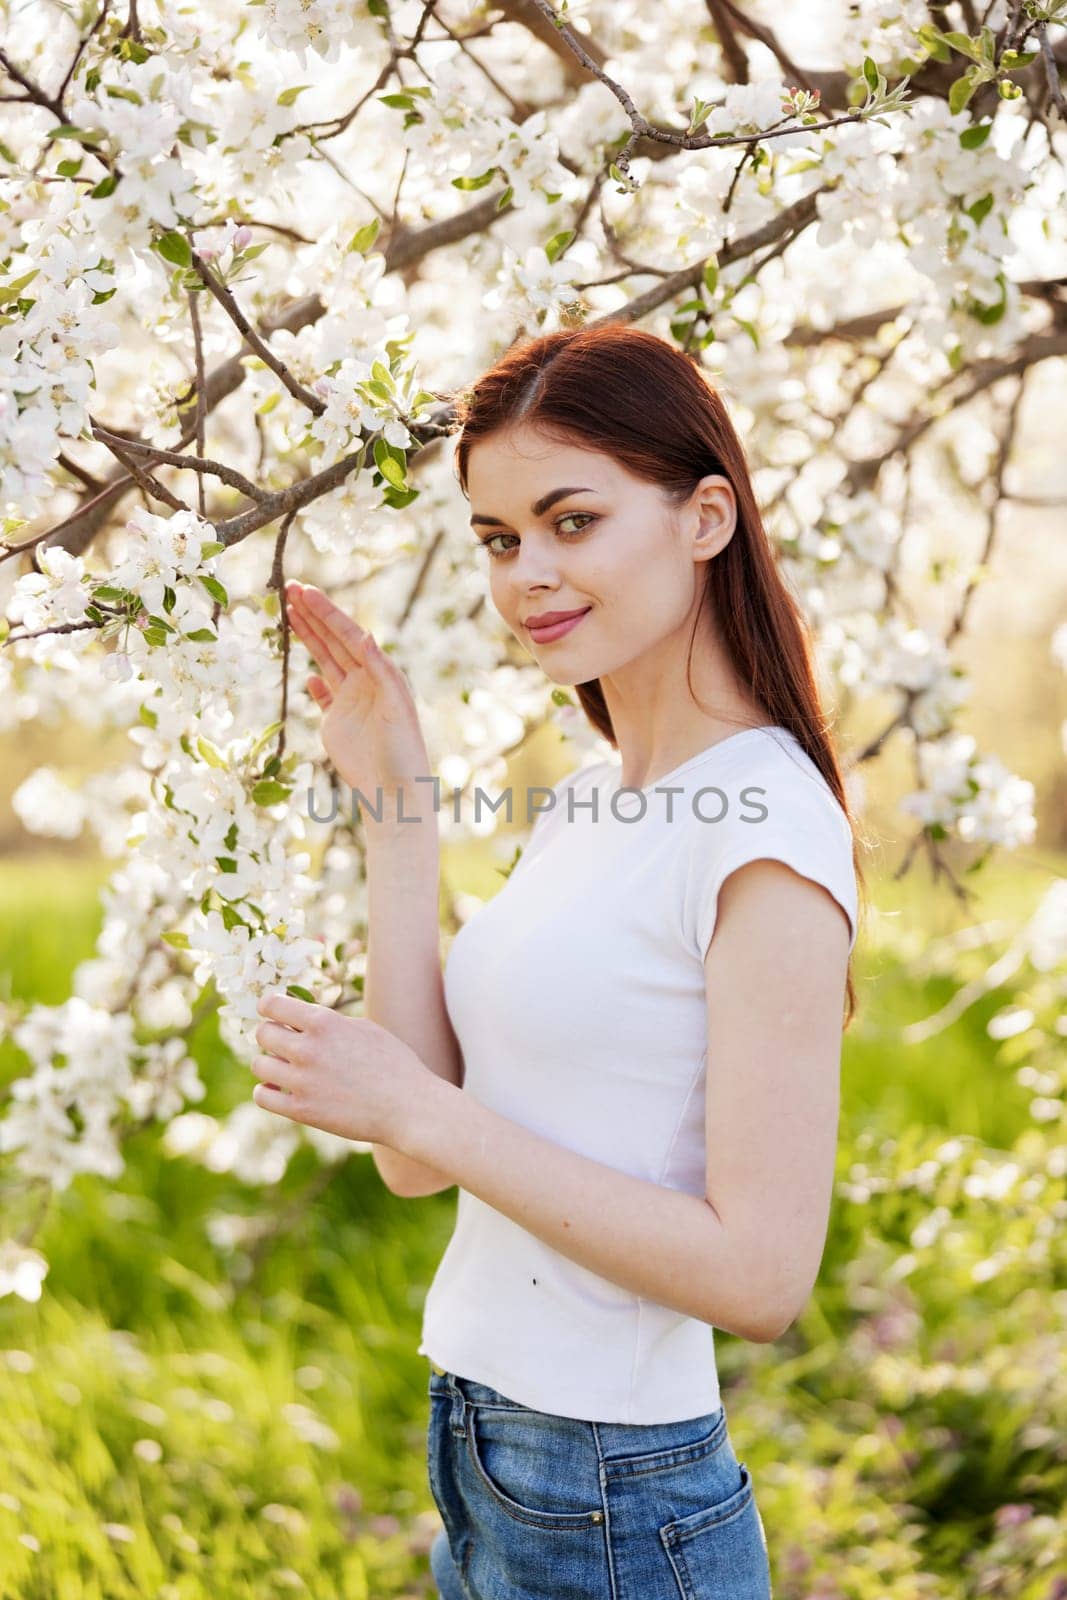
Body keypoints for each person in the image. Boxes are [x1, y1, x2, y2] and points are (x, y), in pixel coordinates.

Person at [282, 323, 868, 1600]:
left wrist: (418, 1105)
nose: (523, 574)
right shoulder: (598, 801)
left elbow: (761, 1275)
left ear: (704, 517)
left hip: (618, 1496)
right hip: (489, 1455)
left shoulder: (763, 830)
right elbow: (410, 1158)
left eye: (570, 520)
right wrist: (401, 812)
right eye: (498, 538)